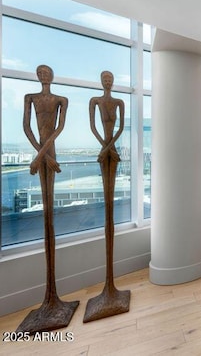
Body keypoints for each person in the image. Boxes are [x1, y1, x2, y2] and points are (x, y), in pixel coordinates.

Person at [19, 64, 78, 331]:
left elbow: (58, 128)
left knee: (50, 215)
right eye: (41, 73)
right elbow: (27, 128)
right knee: (46, 216)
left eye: (47, 73)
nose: (44, 76)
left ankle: (53, 297)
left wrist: (42, 156)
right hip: (43, 153)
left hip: (47, 152)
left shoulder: (60, 101)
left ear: (52, 76)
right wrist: (41, 156)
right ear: (38, 76)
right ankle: (49, 298)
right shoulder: (30, 99)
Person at [84, 70, 130, 322]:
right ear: (101, 81)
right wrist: (105, 145)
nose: (108, 82)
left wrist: (109, 146)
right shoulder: (96, 101)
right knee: (107, 207)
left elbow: (121, 125)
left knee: (111, 210)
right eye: (105, 78)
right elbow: (93, 125)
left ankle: (111, 286)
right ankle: (107, 287)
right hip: (106, 149)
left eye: (111, 78)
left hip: (110, 150)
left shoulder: (119, 102)